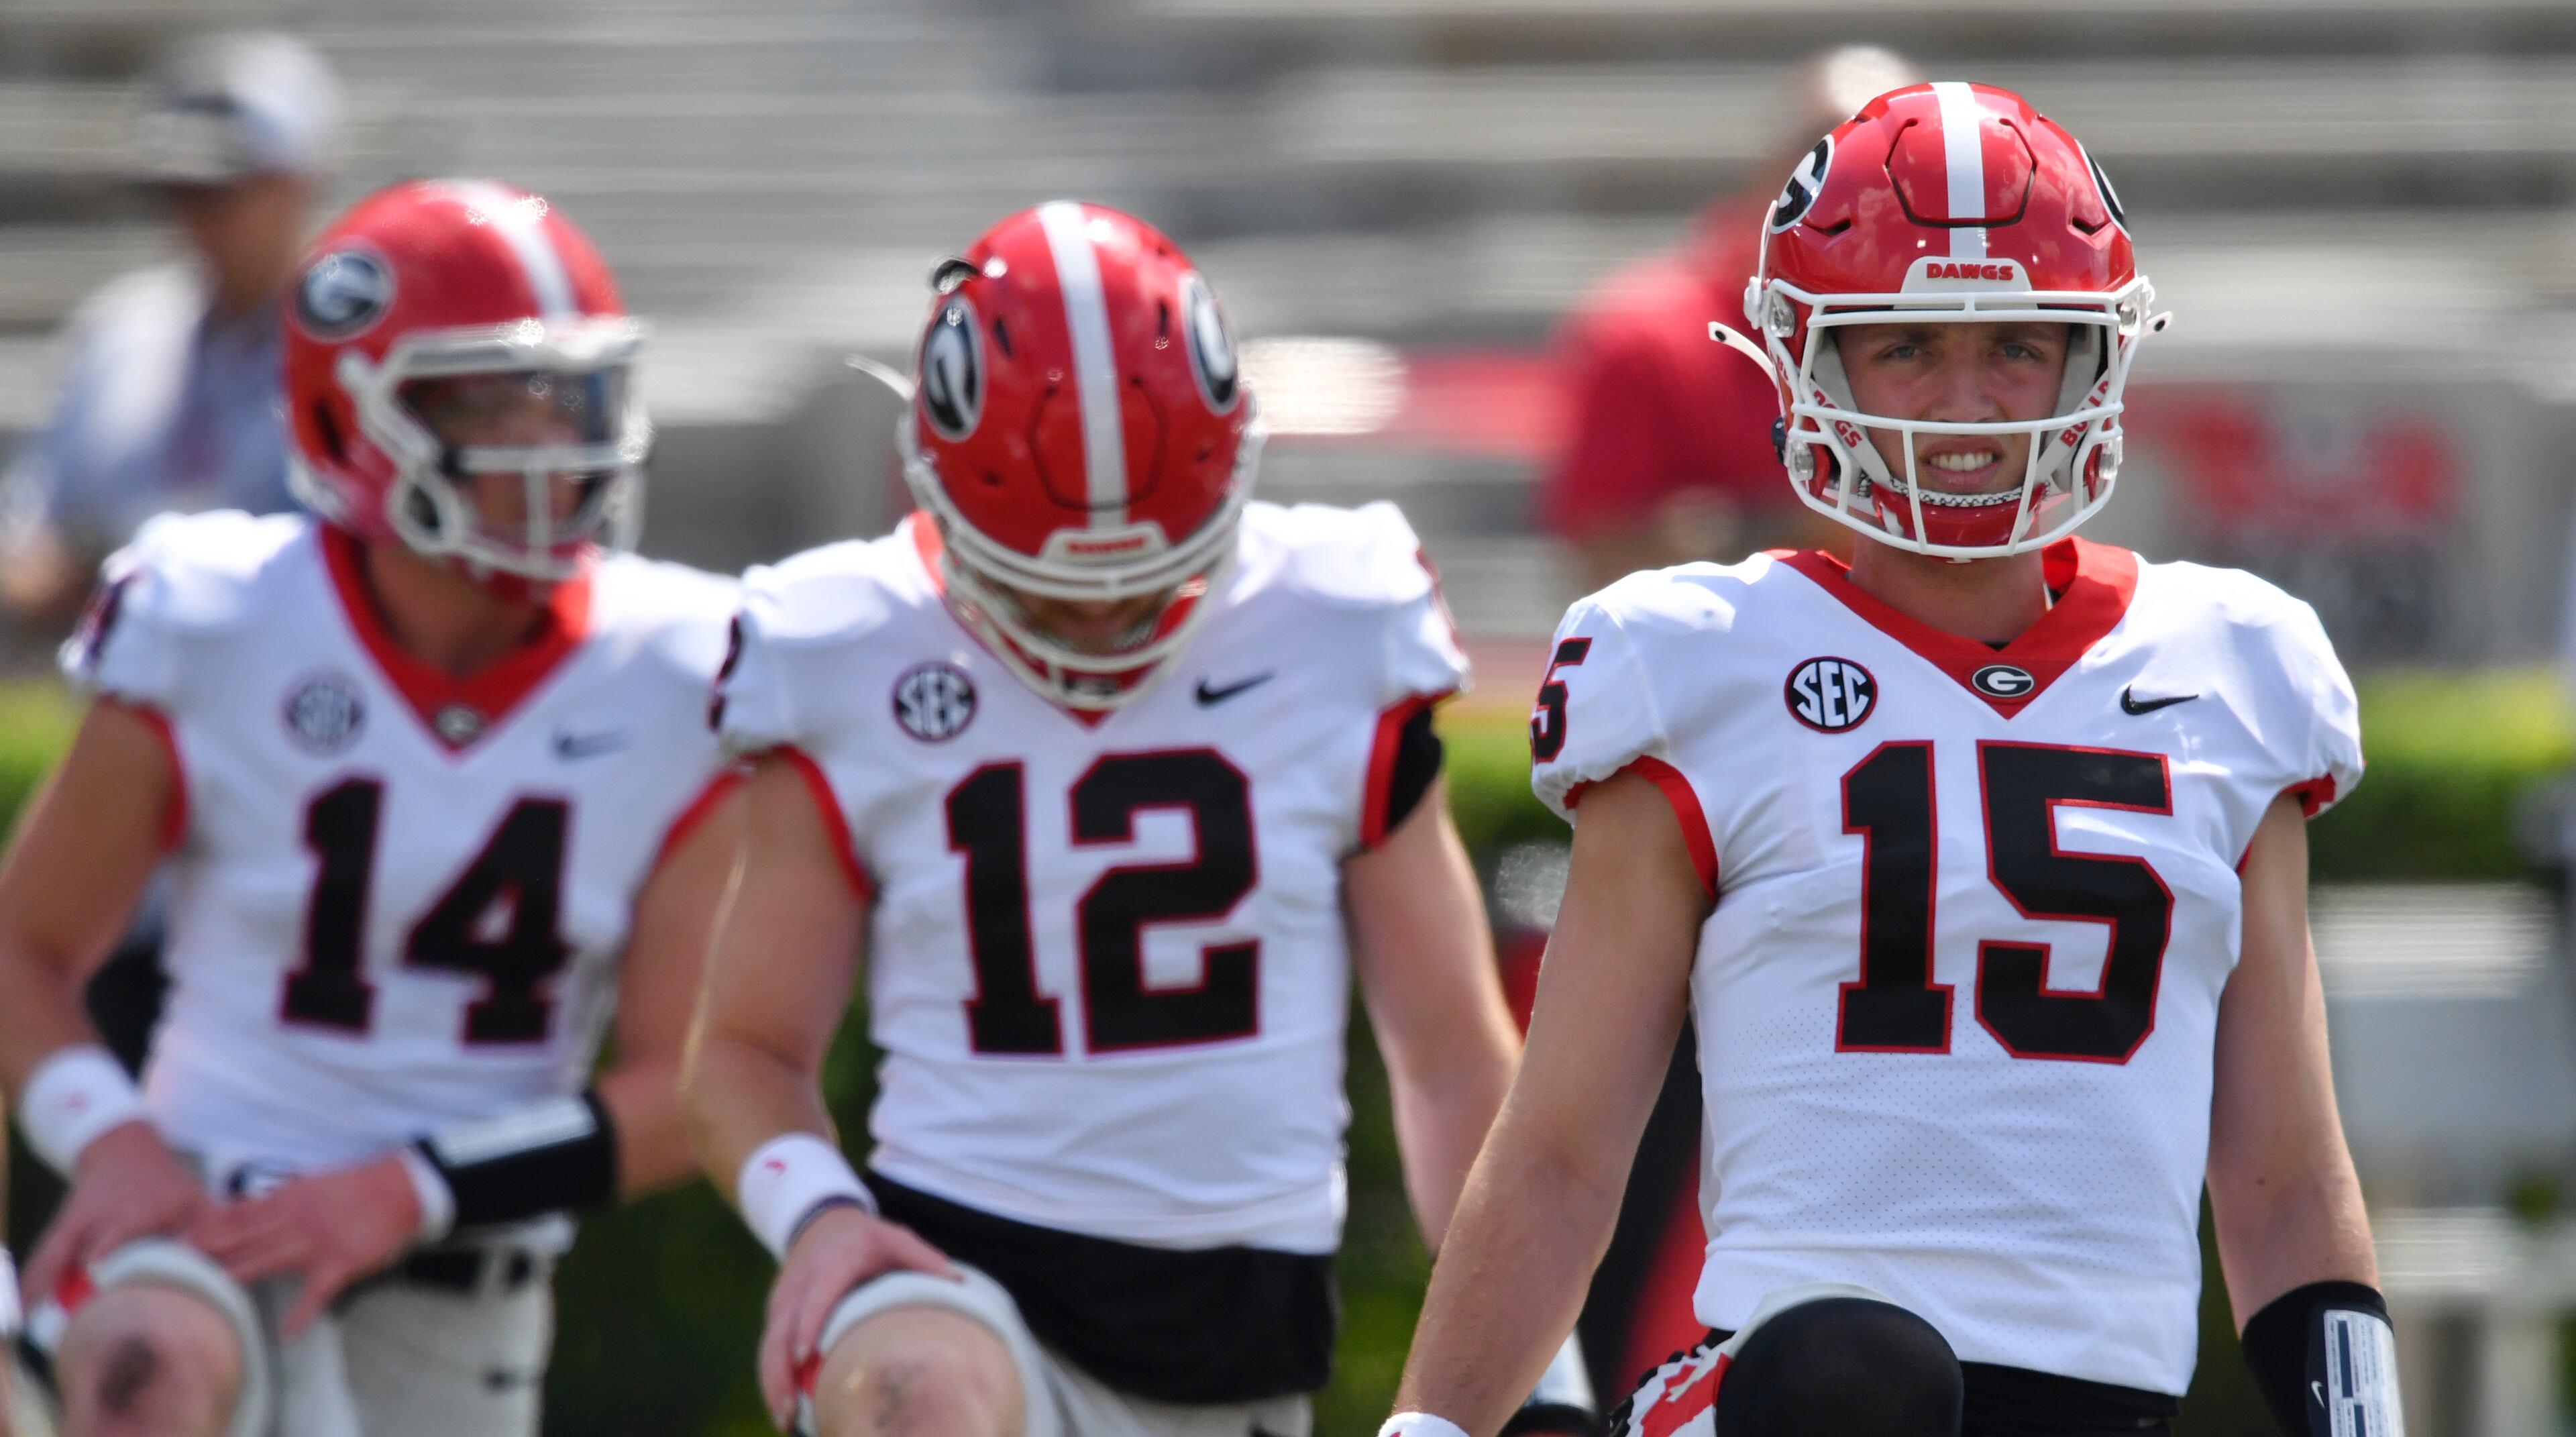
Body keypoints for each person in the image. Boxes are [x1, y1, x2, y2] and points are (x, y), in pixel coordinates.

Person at [1383, 83, 2400, 1437]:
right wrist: (1431, 1429)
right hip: (1786, 1396)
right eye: (1906, 347)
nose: (1966, 402)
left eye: (2018, 346)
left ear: (2097, 356)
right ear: (1808, 359)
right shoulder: (1700, 656)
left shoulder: (2233, 666)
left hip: (2097, 1408)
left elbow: (2285, 1183)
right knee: (1858, 1376)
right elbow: (1565, 1152)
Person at [686, 202, 1587, 1437]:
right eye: (1052, 590)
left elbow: (1446, 1053)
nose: (1106, 618)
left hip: (1246, 1326)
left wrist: (1546, 1378)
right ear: (939, 493)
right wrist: (821, 1216)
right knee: (914, 1400)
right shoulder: (849, 642)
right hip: (957, 1275)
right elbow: (745, 1050)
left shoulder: (1329, 613)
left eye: (1152, 575)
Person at [0, 180, 741, 1437]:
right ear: (352, 421)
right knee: (148, 1372)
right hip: (203, 1225)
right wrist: (113, 1142)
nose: (548, 448)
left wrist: (411, 1187)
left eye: (569, 400)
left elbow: (692, 1086)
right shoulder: (218, 614)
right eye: (489, 403)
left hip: (466, 1277)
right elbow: (22, 949)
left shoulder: (683, 665)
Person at [1539, 46, 1915, 594]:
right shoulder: (1645, 334)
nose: (1864, 190)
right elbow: (1603, 563)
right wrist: (1805, 528)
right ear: (1775, 170)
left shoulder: (1961, 328)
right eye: (1837, 163)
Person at [0, 32, 341, 635]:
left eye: (221, 193)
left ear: (298, 183)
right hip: (118, 672)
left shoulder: (358, 352)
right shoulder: (118, 332)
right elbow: (31, 549)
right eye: (178, 194)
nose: (193, 220)